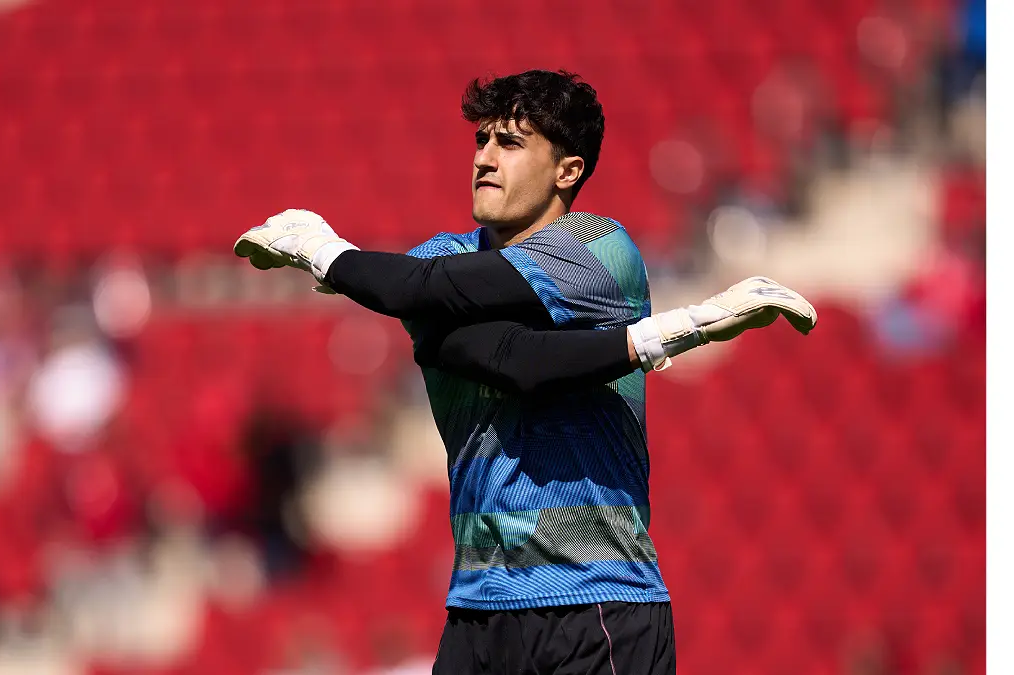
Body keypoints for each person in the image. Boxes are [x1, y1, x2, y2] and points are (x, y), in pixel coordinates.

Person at [234, 70, 816, 675]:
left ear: (567, 171)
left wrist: (326, 252)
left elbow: (519, 365)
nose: (485, 157)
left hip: (598, 600)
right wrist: (661, 336)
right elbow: (457, 320)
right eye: (481, 140)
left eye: (510, 143)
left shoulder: (600, 248)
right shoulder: (442, 261)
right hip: (478, 611)